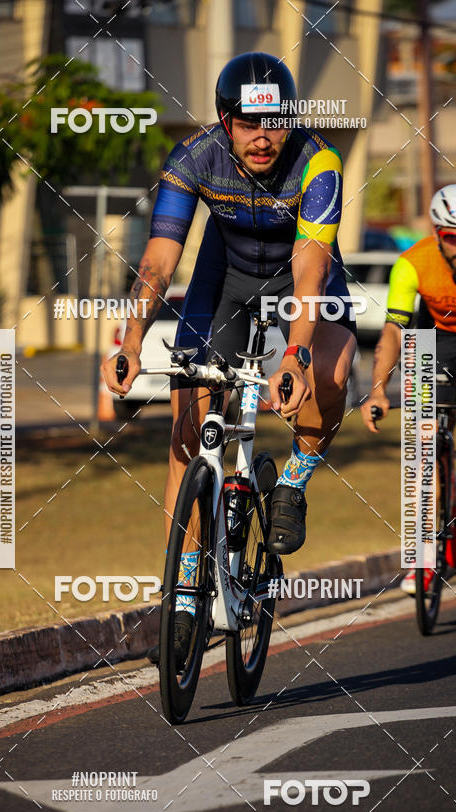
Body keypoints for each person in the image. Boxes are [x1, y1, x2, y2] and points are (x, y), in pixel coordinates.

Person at [102, 52, 357, 661]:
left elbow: (311, 273)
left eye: (273, 122)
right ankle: (182, 599)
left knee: (330, 371)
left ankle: (292, 481)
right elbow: (161, 261)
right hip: (226, 281)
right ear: (225, 119)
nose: (262, 137)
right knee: (187, 437)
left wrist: (293, 354)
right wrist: (132, 339)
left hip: (303, 277)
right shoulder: (194, 156)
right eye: (247, 122)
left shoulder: (319, 163)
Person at [360, 183, 456, 593]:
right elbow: (394, 330)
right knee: (422, 451)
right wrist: (377, 390)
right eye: (453, 238)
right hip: (433, 341)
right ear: (437, 232)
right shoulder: (412, 264)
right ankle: (423, 560)